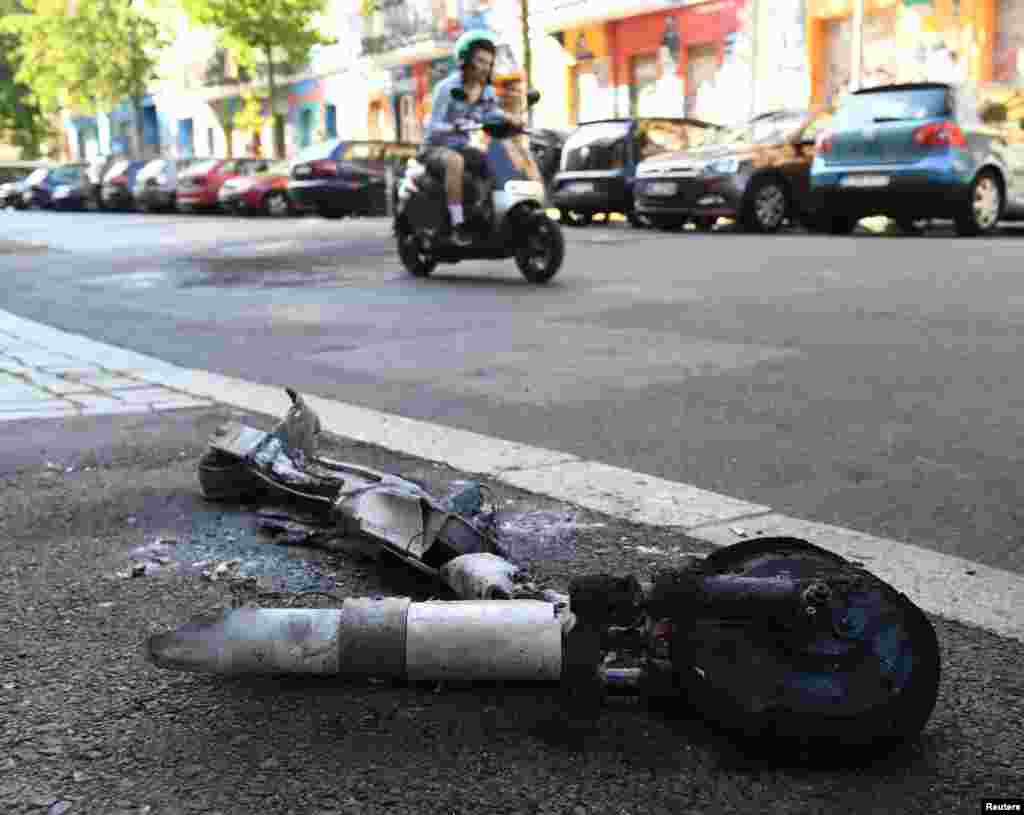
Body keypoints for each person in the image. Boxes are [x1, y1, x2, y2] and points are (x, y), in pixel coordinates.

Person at [423, 29, 518, 246]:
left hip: (462, 147)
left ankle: (486, 214)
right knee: (456, 161)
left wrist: (512, 119)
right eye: (480, 60)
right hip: (435, 148)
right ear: (465, 61)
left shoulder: (487, 92)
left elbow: (492, 114)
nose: (485, 66)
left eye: (488, 62)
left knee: (494, 160)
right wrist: (453, 126)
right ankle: (458, 225)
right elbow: (432, 124)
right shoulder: (446, 88)